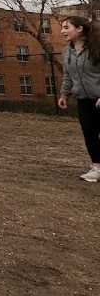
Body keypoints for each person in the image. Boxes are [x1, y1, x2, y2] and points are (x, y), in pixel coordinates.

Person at [58, 15, 100, 182]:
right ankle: (97, 168)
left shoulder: (97, 47)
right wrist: (64, 94)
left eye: (66, 27)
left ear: (79, 29)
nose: (62, 31)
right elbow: (68, 75)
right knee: (89, 134)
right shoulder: (68, 51)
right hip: (83, 99)